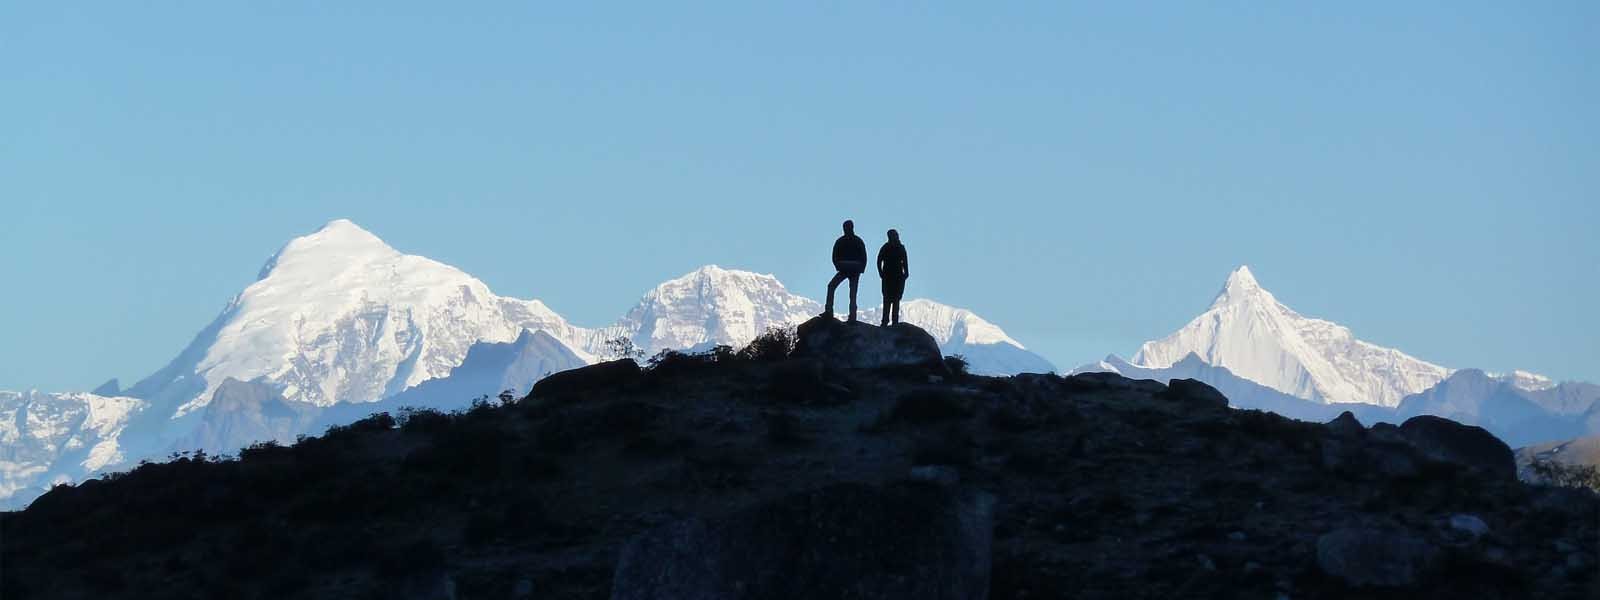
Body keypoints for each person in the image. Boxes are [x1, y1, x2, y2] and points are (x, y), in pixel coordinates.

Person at [824, 219, 867, 322]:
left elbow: (863, 256)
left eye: (847, 228)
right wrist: (860, 268)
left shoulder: (850, 241)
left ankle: (846, 316)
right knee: (848, 292)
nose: (846, 230)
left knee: (849, 293)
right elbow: (835, 255)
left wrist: (860, 268)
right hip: (849, 268)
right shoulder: (854, 240)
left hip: (851, 269)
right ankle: (832, 313)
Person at [877, 229, 909, 326]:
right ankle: (886, 321)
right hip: (889, 276)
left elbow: (905, 262)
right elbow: (879, 261)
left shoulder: (899, 248)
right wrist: (881, 272)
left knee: (895, 299)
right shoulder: (887, 247)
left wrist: (905, 273)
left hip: (896, 276)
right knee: (888, 299)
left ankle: (893, 321)